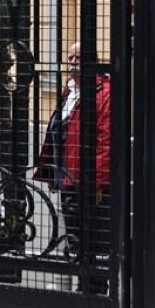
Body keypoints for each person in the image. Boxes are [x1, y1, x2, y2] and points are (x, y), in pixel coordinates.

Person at [33, 42, 112, 294]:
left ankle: (94, 294)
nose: (73, 63)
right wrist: (52, 172)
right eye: (70, 58)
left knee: (93, 241)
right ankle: (82, 291)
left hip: (87, 180)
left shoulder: (104, 92)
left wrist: (98, 182)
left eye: (79, 58)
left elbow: (106, 140)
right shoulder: (69, 90)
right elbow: (58, 131)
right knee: (76, 239)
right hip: (68, 177)